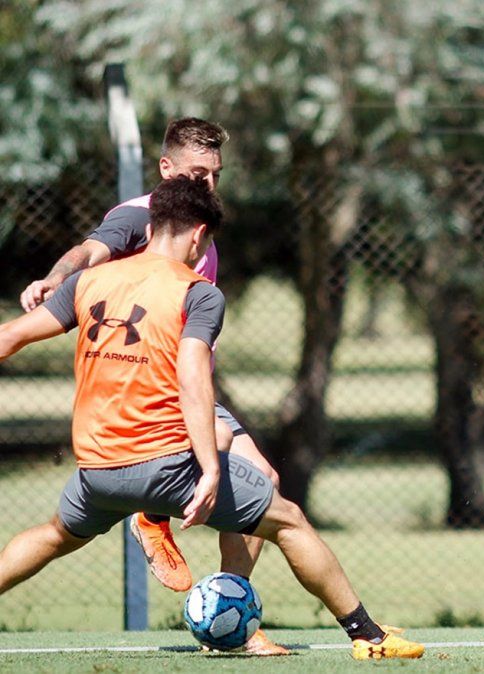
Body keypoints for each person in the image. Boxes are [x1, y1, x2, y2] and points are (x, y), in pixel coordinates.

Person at [0, 176, 424, 660]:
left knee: (54, 534)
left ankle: (159, 529)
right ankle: (367, 636)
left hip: (97, 470)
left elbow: (9, 338)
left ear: (153, 223)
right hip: (167, 466)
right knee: (289, 522)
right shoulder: (197, 293)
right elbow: (194, 381)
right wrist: (210, 468)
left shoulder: (89, 281)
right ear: (200, 234)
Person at [20, 118, 285, 655]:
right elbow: (89, 251)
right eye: (194, 172)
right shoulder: (139, 216)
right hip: (152, 392)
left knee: (265, 479)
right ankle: (154, 515)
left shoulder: (195, 220)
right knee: (223, 445)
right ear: (165, 169)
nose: (206, 183)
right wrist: (54, 278)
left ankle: (233, 619)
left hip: (186, 381)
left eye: (214, 174)